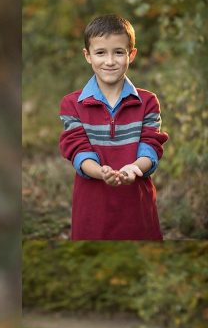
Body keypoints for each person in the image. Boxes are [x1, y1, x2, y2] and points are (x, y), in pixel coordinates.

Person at [58, 14, 169, 240]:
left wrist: (134, 169)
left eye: (118, 52)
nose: (110, 61)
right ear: (87, 56)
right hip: (92, 207)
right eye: (101, 53)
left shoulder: (147, 102)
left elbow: (151, 146)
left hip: (137, 205)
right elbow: (78, 150)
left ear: (132, 54)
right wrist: (101, 172)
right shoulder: (72, 104)